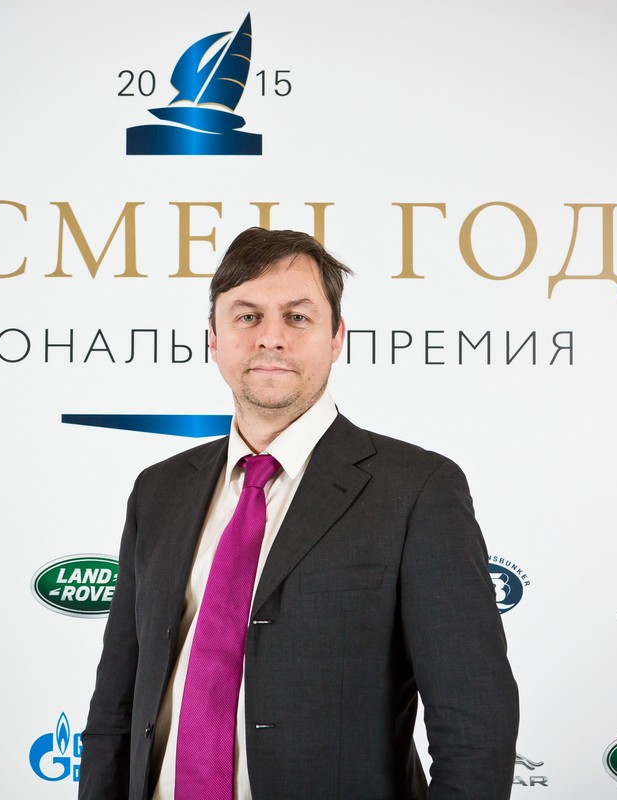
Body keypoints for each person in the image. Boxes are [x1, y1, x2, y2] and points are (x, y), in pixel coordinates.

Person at [80, 228, 519, 800]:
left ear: (336, 337)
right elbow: (115, 705)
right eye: (246, 316)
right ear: (213, 338)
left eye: (297, 317)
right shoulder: (158, 491)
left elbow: (476, 727)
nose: (271, 337)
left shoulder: (417, 490)